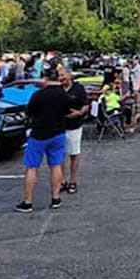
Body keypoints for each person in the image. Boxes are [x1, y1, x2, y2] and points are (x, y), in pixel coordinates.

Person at [15, 65, 69, 212]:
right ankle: (56, 198)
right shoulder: (63, 94)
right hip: (58, 133)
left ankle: (28, 202)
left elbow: (29, 113)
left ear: (45, 78)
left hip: (39, 134)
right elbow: (68, 111)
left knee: (32, 168)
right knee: (56, 165)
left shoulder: (38, 95)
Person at [58, 66, 88, 194]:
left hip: (74, 125)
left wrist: (80, 112)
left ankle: (73, 181)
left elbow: (86, 104)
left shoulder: (78, 88)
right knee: (60, 155)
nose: (61, 78)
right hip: (59, 126)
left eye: (63, 75)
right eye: (59, 76)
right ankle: (62, 180)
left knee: (74, 154)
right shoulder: (57, 89)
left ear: (69, 75)